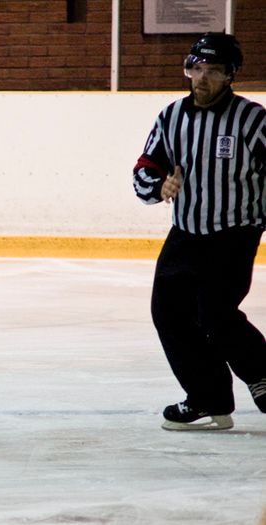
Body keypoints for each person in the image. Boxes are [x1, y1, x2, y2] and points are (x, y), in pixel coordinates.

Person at [133, 32, 266, 431]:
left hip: (234, 234)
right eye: (197, 69)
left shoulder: (252, 119)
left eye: (213, 72)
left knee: (216, 314)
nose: (202, 79)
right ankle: (208, 398)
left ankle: (261, 376)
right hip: (186, 234)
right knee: (168, 313)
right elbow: (146, 167)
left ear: (230, 76)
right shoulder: (171, 117)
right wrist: (158, 187)